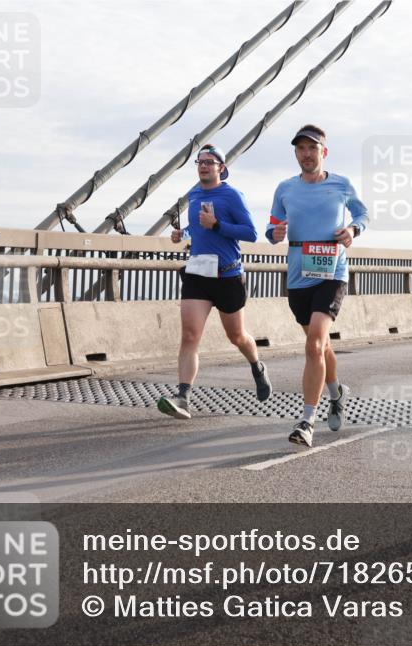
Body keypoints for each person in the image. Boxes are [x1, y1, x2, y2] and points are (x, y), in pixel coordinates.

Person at [267, 125, 368, 447]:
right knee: (320, 345)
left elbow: (363, 214)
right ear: (296, 153)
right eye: (301, 149)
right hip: (298, 273)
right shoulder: (285, 188)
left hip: (332, 271)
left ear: (324, 152)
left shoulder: (342, 184)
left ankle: (307, 421)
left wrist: (353, 229)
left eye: (312, 148)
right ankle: (337, 392)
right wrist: (275, 235)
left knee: (312, 345)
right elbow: (271, 228)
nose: (306, 154)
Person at [157, 145, 272, 419]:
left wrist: (217, 225)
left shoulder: (232, 196)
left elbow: (251, 233)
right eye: (200, 161)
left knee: (237, 337)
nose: (204, 166)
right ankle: (183, 396)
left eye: (210, 162)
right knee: (189, 335)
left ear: (221, 167)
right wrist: (182, 233)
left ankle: (256, 365)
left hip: (228, 276)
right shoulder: (194, 195)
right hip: (198, 274)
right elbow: (197, 228)